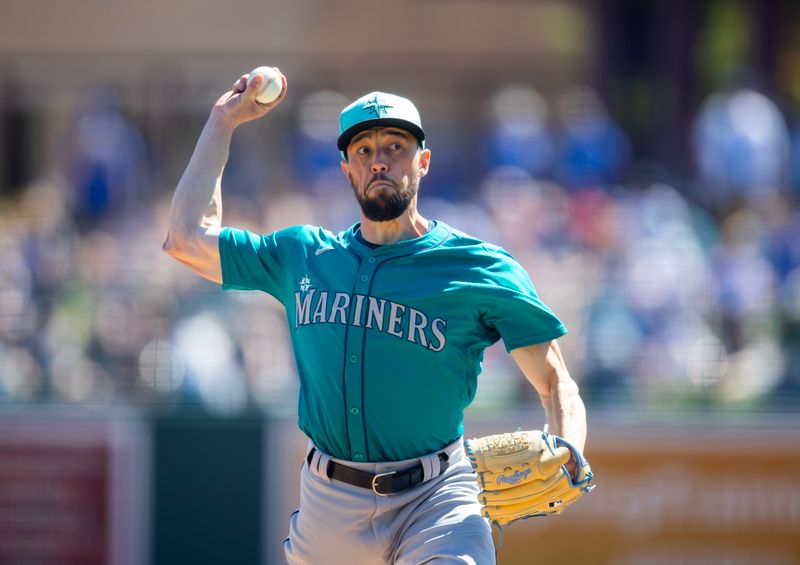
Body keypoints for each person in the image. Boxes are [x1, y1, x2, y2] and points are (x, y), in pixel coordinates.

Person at [163, 69, 588, 565]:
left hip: (437, 498)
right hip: (328, 504)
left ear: (423, 162)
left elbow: (556, 382)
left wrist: (568, 447)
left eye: (395, 147)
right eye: (363, 150)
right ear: (346, 168)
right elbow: (186, 238)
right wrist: (222, 121)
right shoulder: (303, 255)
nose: (379, 161)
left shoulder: (478, 268)